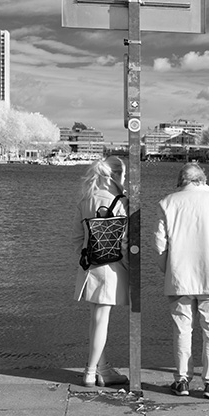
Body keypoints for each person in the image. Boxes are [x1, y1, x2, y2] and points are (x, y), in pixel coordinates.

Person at [153, 162, 209, 399]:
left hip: (179, 277)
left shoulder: (167, 203)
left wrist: (168, 270)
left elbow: (159, 245)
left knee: (182, 329)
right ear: (203, 179)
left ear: (180, 181)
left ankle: (182, 380)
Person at [73, 156, 129, 388]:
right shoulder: (119, 201)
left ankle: (103, 369)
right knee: (101, 318)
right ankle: (90, 371)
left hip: (90, 266)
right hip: (111, 266)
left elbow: (77, 239)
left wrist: (86, 257)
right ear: (117, 175)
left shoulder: (86, 199)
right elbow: (124, 242)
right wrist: (130, 267)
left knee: (96, 319)